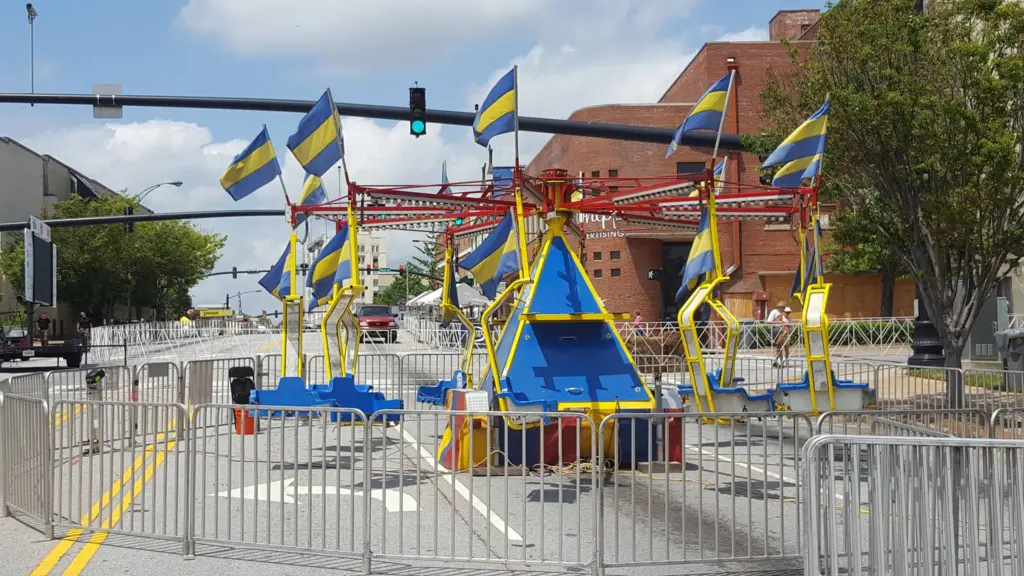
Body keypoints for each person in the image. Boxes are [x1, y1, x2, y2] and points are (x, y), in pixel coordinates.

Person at [766, 302, 787, 368]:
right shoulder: (774, 312)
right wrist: (779, 322)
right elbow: (768, 322)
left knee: (780, 347)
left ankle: (778, 362)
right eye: (782, 308)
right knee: (784, 331)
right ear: (779, 307)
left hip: (778, 329)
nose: (783, 309)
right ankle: (777, 343)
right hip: (773, 329)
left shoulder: (781, 314)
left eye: (784, 308)